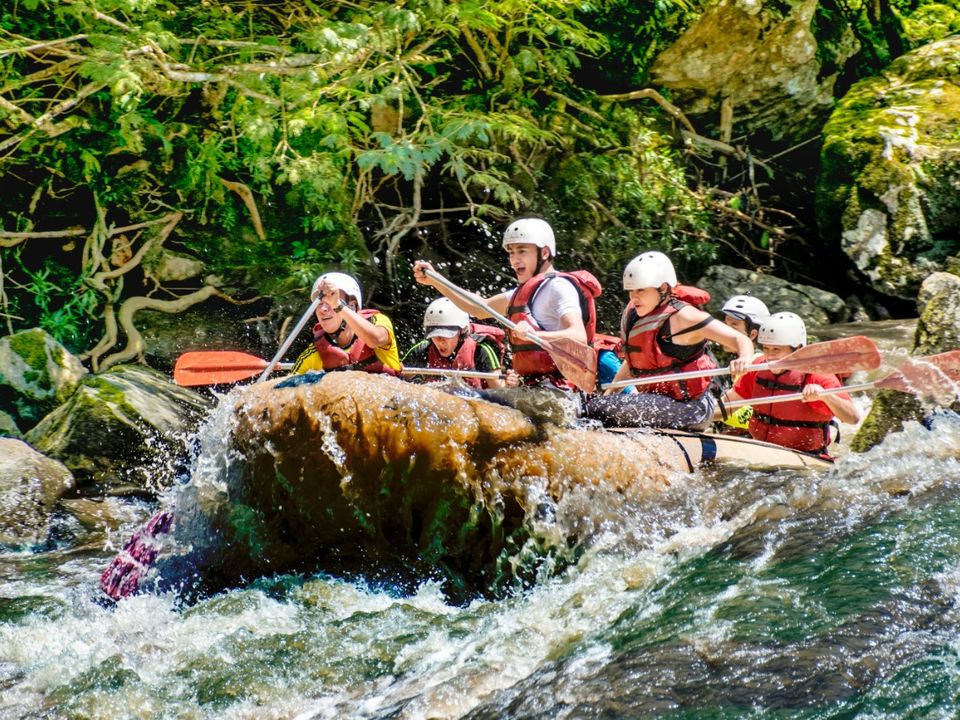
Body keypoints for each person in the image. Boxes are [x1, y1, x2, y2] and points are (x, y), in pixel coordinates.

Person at [413, 217, 600, 393]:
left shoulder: (558, 287)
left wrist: (536, 335)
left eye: (522, 251)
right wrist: (436, 280)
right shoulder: (522, 293)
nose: (514, 260)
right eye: (511, 253)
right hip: (531, 390)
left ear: (544, 253)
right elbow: (479, 308)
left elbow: (578, 335)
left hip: (559, 393)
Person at [585, 251, 754, 431]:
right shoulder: (637, 315)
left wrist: (744, 358)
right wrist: (610, 393)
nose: (634, 298)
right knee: (597, 405)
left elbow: (740, 339)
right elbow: (634, 361)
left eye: (641, 290)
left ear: (663, 288)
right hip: (659, 401)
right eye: (631, 291)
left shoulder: (685, 317)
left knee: (595, 409)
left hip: (691, 408)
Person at [718, 311, 860, 456]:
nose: (769, 356)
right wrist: (703, 417)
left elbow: (853, 418)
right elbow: (726, 406)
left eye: (776, 349)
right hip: (761, 449)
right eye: (766, 348)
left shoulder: (817, 375)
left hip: (806, 457)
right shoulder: (758, 368)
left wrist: (826, 396)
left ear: (797, 349)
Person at [291, 271, 402, 375]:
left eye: (330, 302)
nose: (322, 309)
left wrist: (337, 305)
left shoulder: (378, 322)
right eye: (319, 304)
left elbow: (375, 340)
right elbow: (286, 385)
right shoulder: (314, 354)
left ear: (352, 306)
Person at [403, 297, 506, 389]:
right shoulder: (424, 348)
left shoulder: (481, 351)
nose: (440, 341)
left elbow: (499, 390)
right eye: (435, 335)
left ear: (462, 331)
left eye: (446, 335)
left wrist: (509, 383)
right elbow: (398, 376)